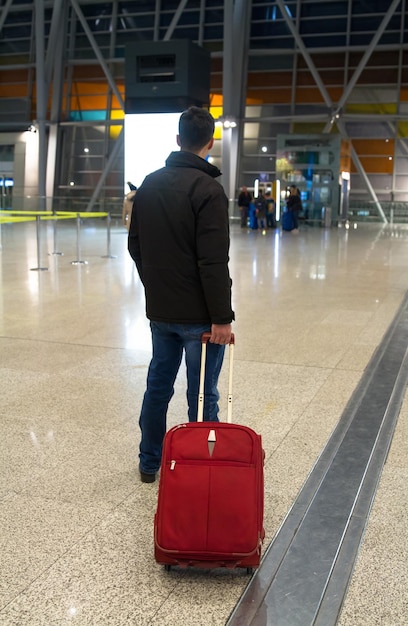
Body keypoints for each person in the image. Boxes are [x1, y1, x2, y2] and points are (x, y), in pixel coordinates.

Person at [128, 106, 234, 483]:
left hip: (161, 312)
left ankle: (149, 461)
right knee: (202, 395)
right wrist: (222, 317)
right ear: (210, 142)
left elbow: (135, 247)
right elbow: (213, 261)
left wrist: (156, 287)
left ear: (177, 140)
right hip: (200, 318)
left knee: (158, 386)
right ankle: (199, 467)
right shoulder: (209, 190)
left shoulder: (149, 184)